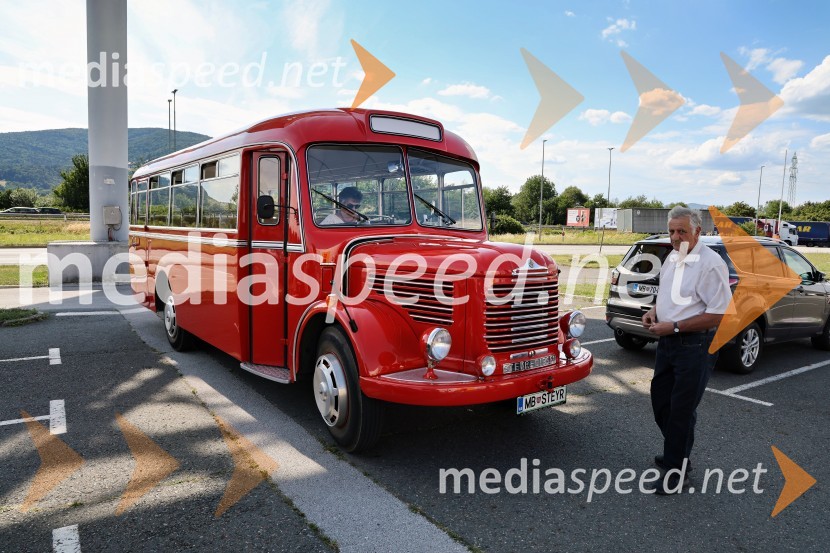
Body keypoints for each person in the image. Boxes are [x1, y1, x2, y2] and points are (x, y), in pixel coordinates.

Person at [641, 206, 732, 495]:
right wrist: (653, 311)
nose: (676, 236)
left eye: (682, 230)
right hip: (667, 343)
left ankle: (675, 473)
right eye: (671, 231)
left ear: (697, 231)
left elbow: (719, 314)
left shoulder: (711, 264)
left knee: (681, 410)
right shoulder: (672, 257)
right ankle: (677, 454)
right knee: (661, 403)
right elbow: (668, 294)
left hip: (695, 346)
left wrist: (675, 326)